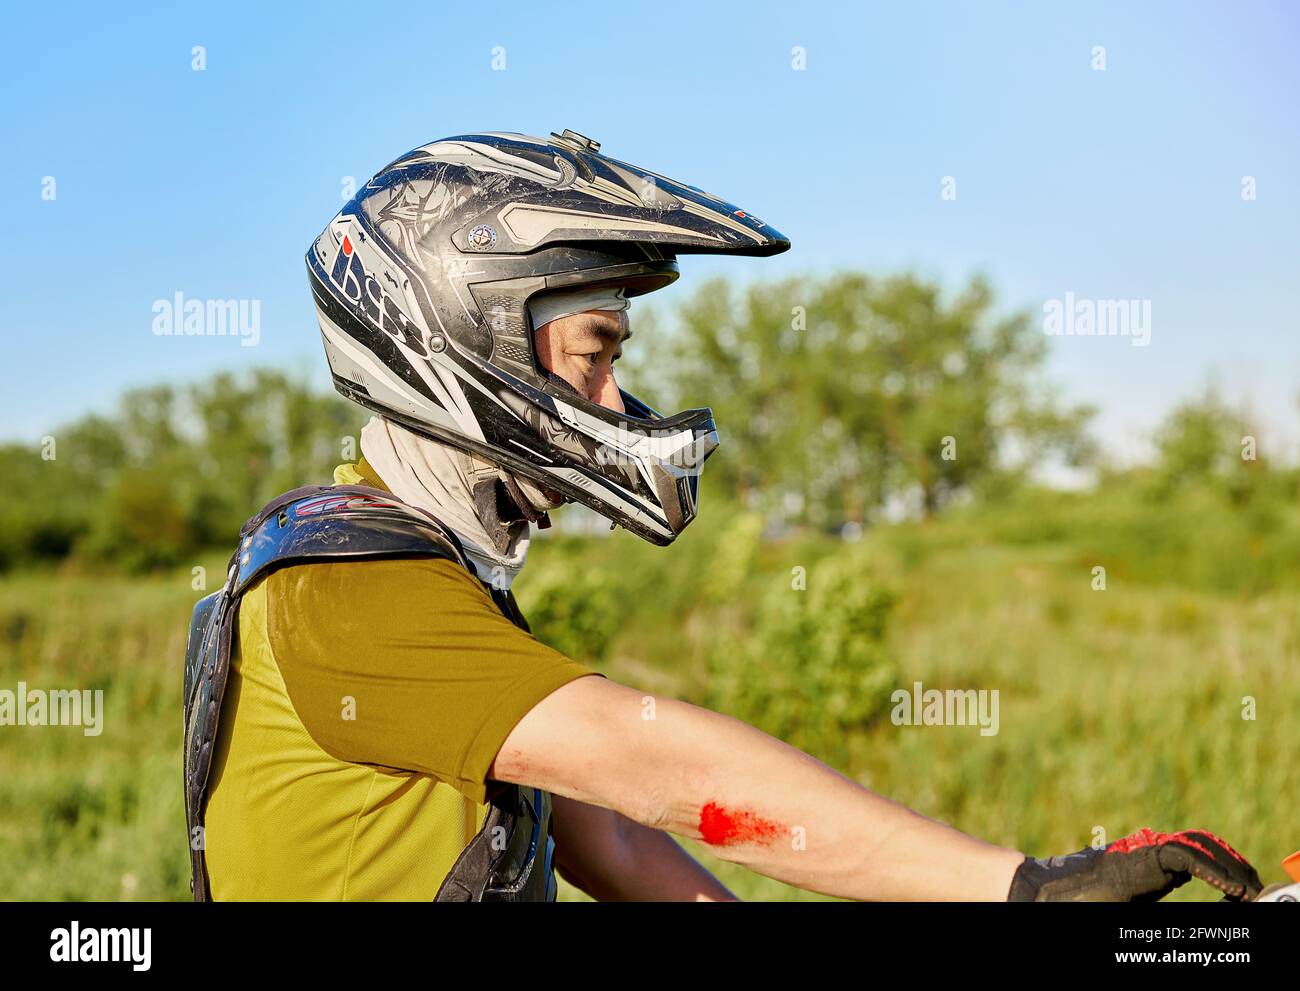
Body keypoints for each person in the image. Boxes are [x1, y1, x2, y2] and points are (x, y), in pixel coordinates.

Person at [182, 130, 1263, 902]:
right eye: (596, 354)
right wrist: (1020, 888)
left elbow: (612, 842)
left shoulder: (415, 567)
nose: (614, 400)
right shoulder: (344, 588)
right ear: (469, 343)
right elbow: (657, 769)